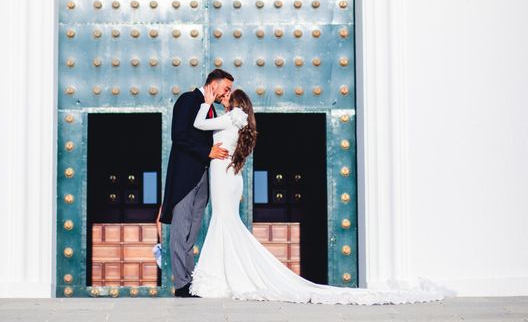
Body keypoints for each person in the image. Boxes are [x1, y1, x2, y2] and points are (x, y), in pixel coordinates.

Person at [188, 86, 455, 305]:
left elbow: (199, 123)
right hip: (231, 177)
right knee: (227, 223)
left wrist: (205, 101)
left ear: (235, 103)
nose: (223, 99)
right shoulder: (240, 120)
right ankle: (228, 274)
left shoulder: (230, 117)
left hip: (223, 175)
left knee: (222, 222)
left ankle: (223, 277)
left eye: (226, 97)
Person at [158, 69, 234, 297]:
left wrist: (228, 105)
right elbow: (179, 135)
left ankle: (191, 282)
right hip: (185, 177)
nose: (227, 93)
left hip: (204, 178)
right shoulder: (188, 100)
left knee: (192, 233)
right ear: (214, 83)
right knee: (180, 232)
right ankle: (182, 285)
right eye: (226, 88)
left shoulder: (212, 109)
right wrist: (207, 151)